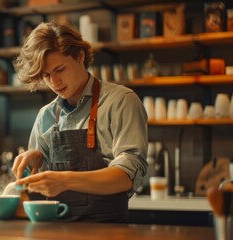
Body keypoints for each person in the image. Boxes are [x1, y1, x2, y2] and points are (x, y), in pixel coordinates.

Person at [11, 22, 148, 223]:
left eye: (60, 69)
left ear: (80, 56)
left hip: (107, 232)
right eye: (46, 75)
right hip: (54, 232)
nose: (54, 82)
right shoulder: (45, 115)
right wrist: (37, 161)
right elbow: (35, 190)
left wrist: (65, 180)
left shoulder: (120, 101)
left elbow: (127, 176)